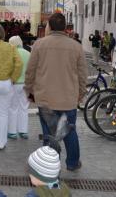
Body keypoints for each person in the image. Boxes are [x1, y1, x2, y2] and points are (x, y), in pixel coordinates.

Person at [25, 13, 87, 171]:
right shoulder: (76, 46)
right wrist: (80, 94)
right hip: (68, 99)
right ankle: (73, 163)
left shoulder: (39, 45)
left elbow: (30, 71)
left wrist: (29, 90)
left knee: (49, 134)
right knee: (69, 132)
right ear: (66, 27)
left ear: (50, 27)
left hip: (46, 99)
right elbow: (82, 75)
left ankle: (51, 166)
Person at [0, 145, 70, 197]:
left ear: (37, 175)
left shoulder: (35, 195)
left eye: (30, 171)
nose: (29, 174)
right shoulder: (64, 189)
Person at [7, 36, 31, 140]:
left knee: (13, 108)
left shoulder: (11, 54)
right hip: (26, 84)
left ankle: (12, 132)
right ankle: (23, 131)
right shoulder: (28, 53)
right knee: (24, 108)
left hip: (14, 83)